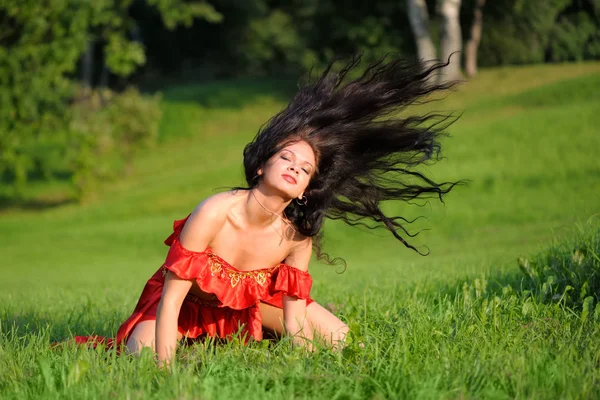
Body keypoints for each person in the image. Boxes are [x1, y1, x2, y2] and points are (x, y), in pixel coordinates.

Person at [75, 56, 460, 365]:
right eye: (286, 157)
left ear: (308, 187)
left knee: (340, 339)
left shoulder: (296, 237)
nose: (294, 166)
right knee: (143, 358)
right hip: (183, 309)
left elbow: (293, 318)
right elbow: (172, 298)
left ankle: (247, 344)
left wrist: (303, 364)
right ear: (262, 165)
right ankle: (186, 352)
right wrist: (164, 368)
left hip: (245, 312)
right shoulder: (214, 211)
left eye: (305, 168)